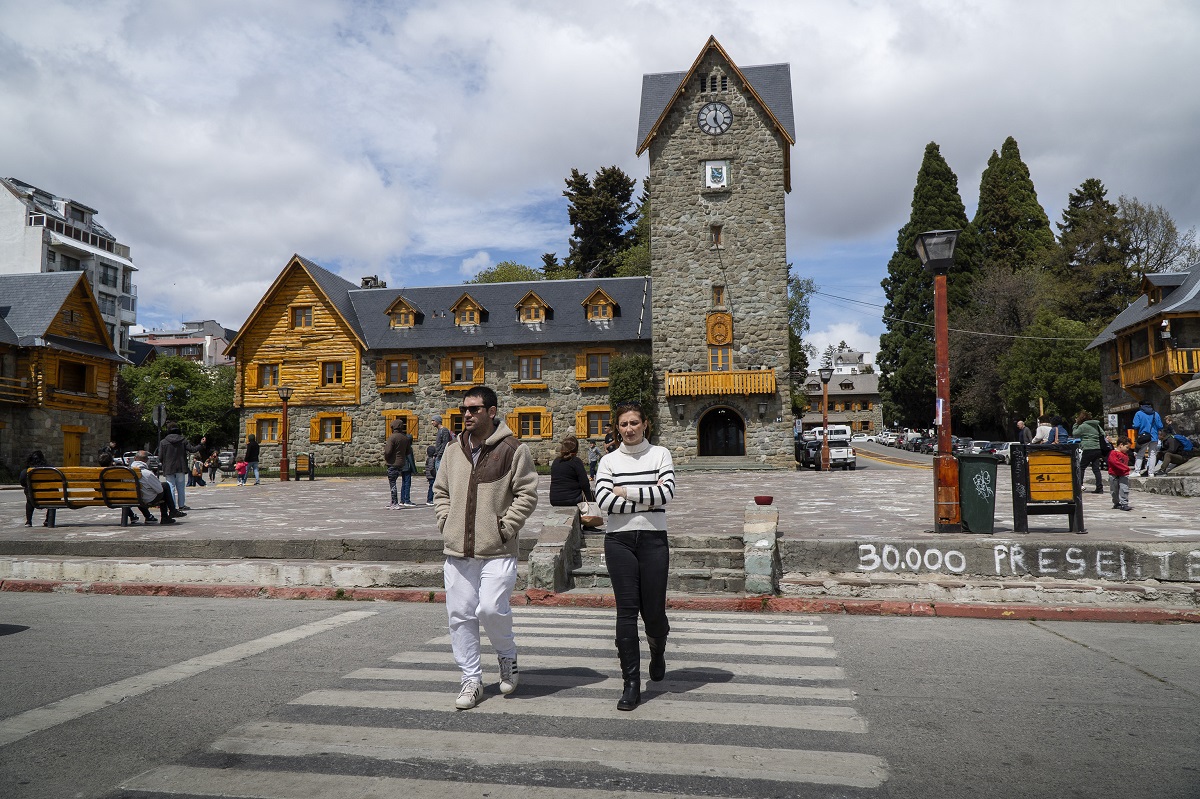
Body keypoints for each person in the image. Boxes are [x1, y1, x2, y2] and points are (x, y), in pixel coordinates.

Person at [433, 386, 539, 711]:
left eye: (475, 409)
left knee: (490, 608)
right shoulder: (453, 451)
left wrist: (505, 528)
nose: (467, 414)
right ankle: (471, 679)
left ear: (491, 412)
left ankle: (507, 656)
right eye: (464, 408)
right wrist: (445, 521)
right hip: (457, 551)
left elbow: (528, 493)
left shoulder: (512, 450)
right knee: (460, 616)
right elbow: (440, 491)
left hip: (498, 550)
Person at [595, 401, 676, 711]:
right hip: (619, 541)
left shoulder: (660, 454)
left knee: (653, 612)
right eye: (623, 424)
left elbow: (667, 493)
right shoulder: (608, 461)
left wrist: (626, 492)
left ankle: (658, 648)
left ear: (645, 425)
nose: (628, 429)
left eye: (634, 423)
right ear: (618, 427)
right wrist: (647, 498)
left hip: (654, 540)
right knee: (626, 612)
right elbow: (603, 501)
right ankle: (631, 683)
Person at [155, 422, 200, 510]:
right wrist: (201, 444)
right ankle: (181, 505)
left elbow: (160, 457)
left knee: (170, 486)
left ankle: (172, 506)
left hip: (168, 467)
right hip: (180, 466)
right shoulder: (183, 440)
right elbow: (192, 449)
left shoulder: (163, 442)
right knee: (180, 487)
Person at [130, 450, 179, 524]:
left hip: (131, 498)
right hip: (147, 498)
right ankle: (168, 514)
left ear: (135, 458)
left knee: (140, 493)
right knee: (165, 486)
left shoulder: (126, 472)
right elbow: (159, 490)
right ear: (146, 460)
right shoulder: (147, 473)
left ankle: (171, 512)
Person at [549, 435, 595, 507]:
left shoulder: (556, 461)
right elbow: (584, 483)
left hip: (555, 499)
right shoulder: (575, 461)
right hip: (572, 498)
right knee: (596, 495)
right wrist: (589, 500)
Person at [1072, 411, 1106, 493]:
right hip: (1097, 448)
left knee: (1082, 467)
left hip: (1088, 448)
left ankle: (1079, 485)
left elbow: (1075, 433)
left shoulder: (1083, 426)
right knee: (1096, 469)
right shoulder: (1096, 425)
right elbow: (1103, 433)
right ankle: (1099, 487)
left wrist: (1076, 424)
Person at [384, 419, 414, 509]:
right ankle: (394, 501)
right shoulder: (405, 438)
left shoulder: (392, 437)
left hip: (393, 462)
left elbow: (388, 451)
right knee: (395, 482)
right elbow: (409, 451)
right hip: (401, 463)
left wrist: (386, 457)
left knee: (392, 483)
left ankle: (394, 502)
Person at [19, 450, 52, 527]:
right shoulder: (52, 470)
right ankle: (48, 520)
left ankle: (28, 521)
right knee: (53, 492)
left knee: (29, 498)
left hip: (32, 498)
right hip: (50, 498)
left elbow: (22, 483)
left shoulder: (26, 471)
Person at [1131, 401, 1163, 477]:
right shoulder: (1155, 414)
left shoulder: (1139, 413)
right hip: (1154, 436)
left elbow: (1136, 425)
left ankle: (1137, 471)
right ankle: (1151, 472)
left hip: (1144, 436)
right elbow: (1160, 425)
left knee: (1140, 454)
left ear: (1141, 405)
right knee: (1152, 454)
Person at [1107, 436, 1133, 511]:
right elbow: (1114, 462)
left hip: (1123, 474)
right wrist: (1126, 468)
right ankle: (1116, 503)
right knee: (1114, 490)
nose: (1128, 449)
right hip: (1114, 474)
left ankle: (1124, 504)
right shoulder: (1113, 453)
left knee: (1124, 488)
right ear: (1121, 445)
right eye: (1127, 447)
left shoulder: (1125, 454)